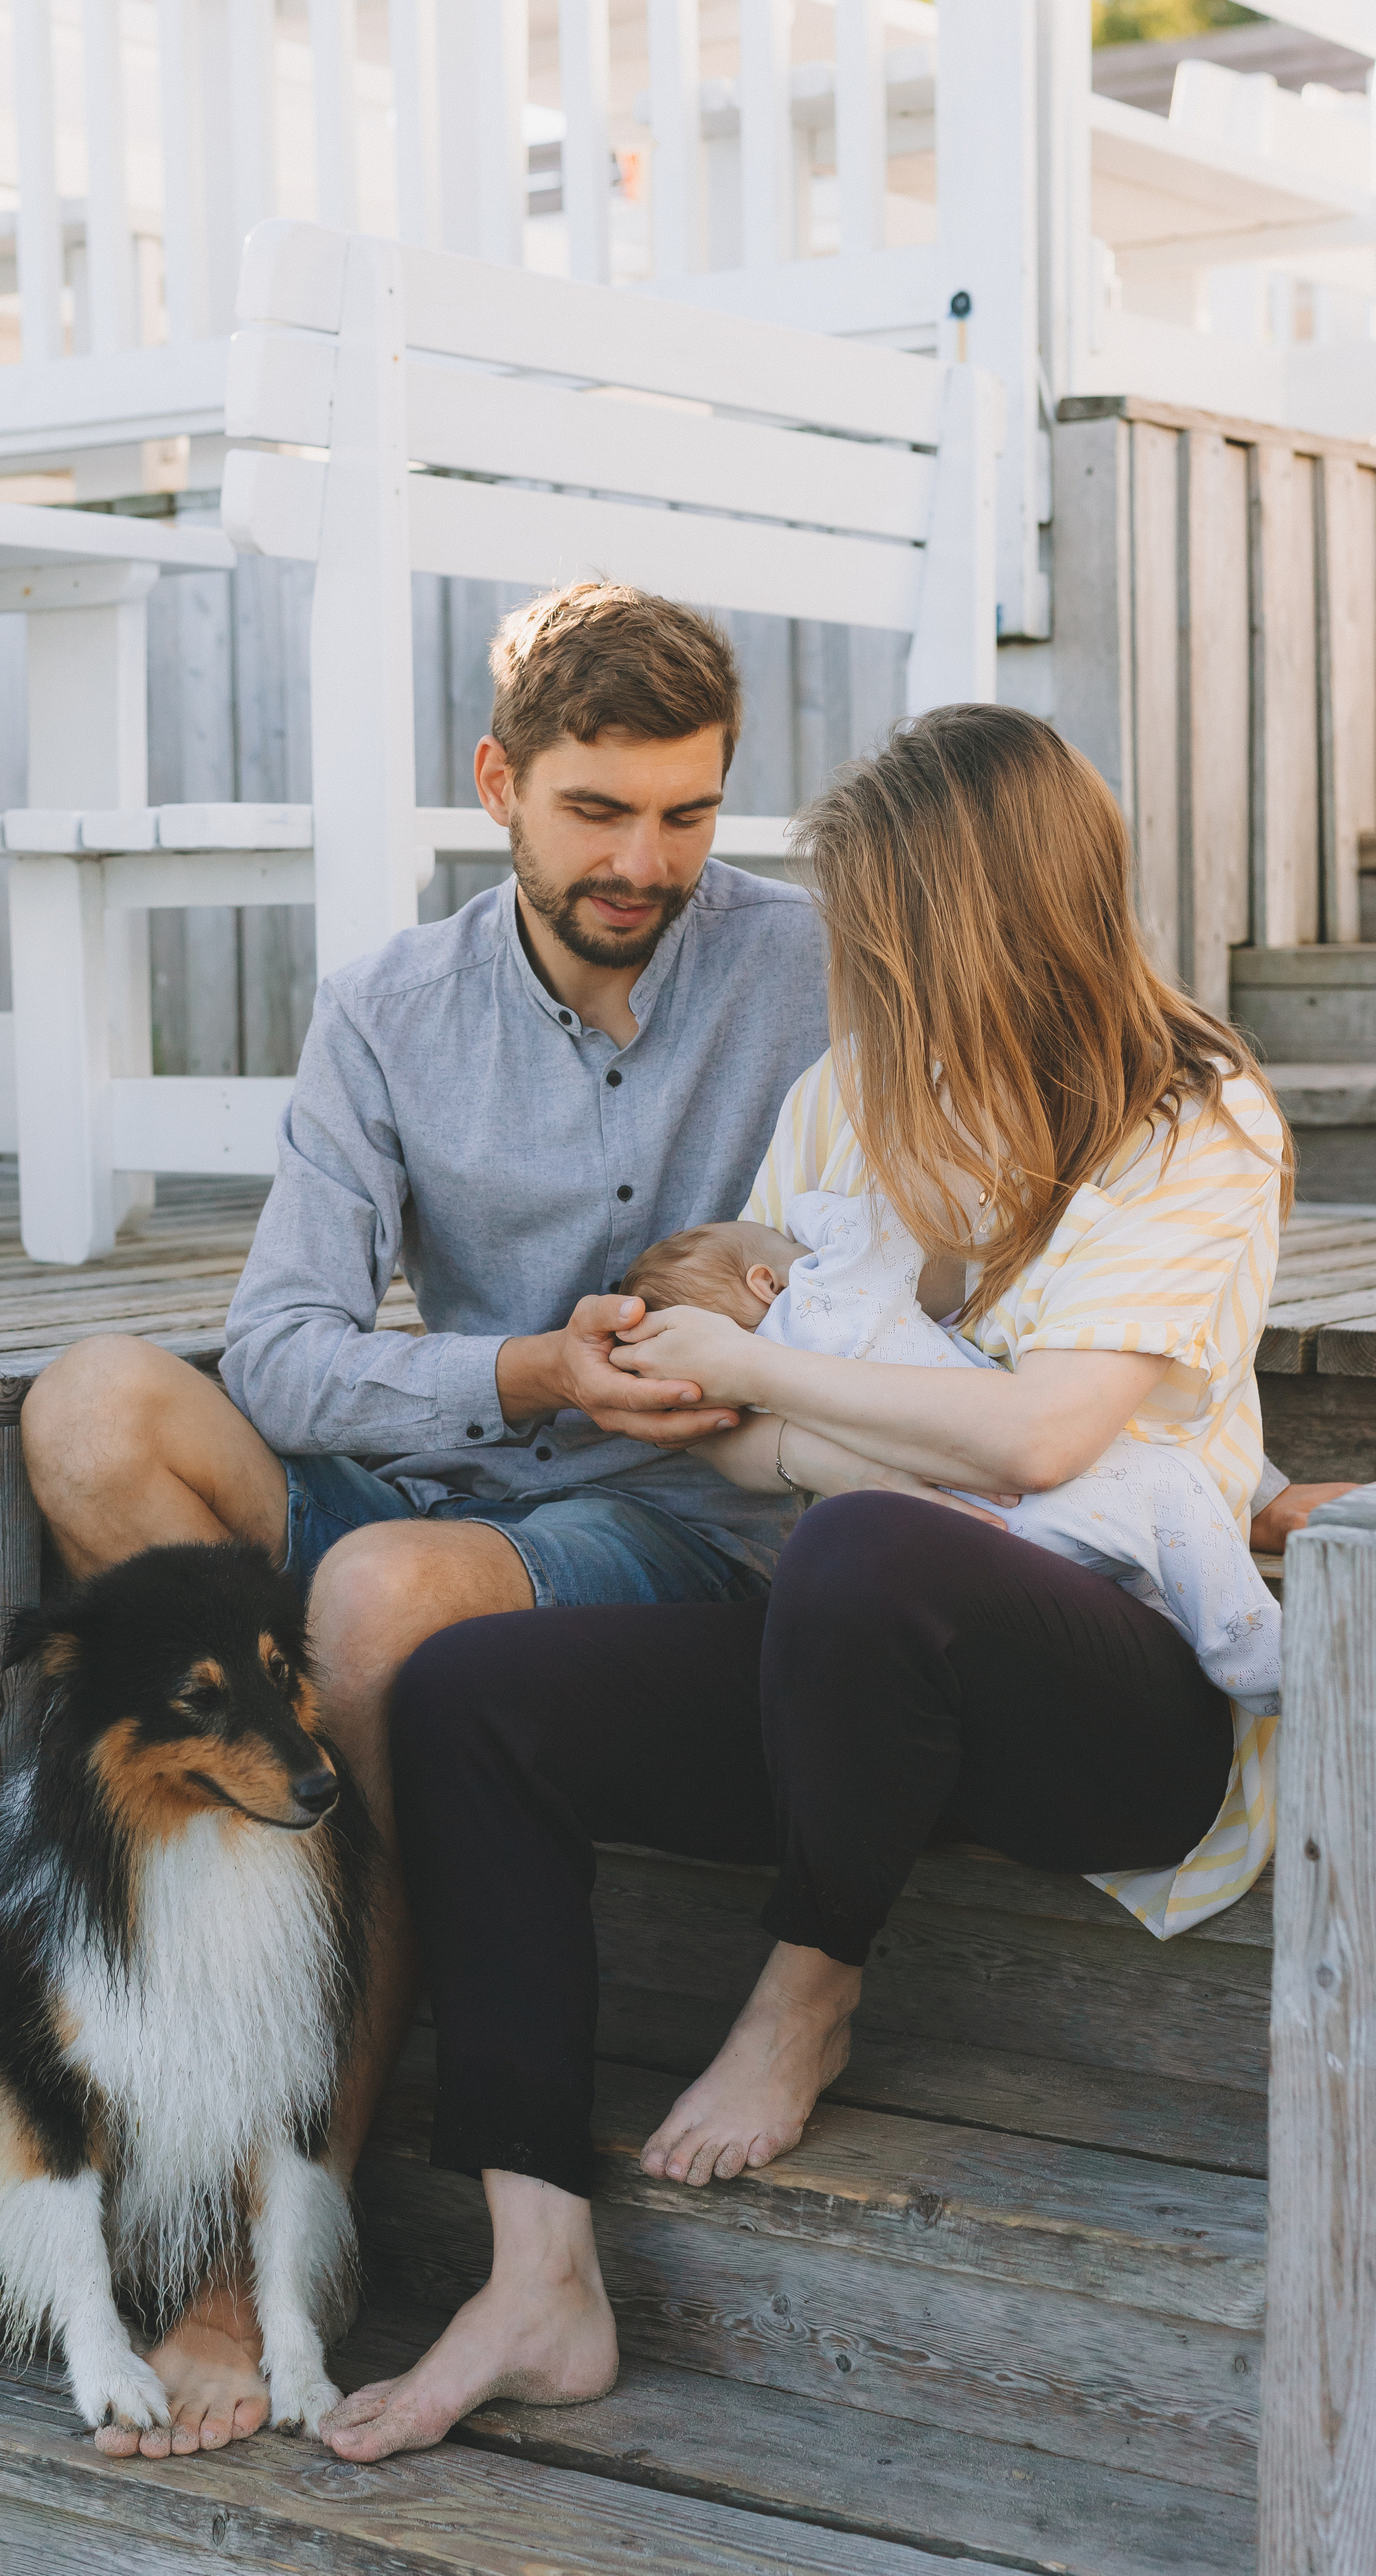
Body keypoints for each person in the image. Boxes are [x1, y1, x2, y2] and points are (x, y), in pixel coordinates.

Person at [319, 701, 1311, 2465]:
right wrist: (821, 1419)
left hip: (1109, 1702)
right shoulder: (842, 1098)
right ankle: (538, 2265)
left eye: (876, 931)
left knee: (864, 1550)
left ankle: (807, 1978)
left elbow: (1038, 1438)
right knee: (466, 1690)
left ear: (978, 919)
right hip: (849, 1667)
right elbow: (727, 1442)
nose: (843, 968)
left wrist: (795, 1398)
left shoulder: (1193, 1113)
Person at [19, 579, 853, 2454]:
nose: (648, 861)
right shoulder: (391, 1006)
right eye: (597, 811)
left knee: (387, 1606)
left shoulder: (819, 964)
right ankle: (239, 1914)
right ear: (498, 780)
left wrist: (766, 1297)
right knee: (94, 1414)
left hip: (675, 1522)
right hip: (457, 1452)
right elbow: (287, 1352)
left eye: (691, 813)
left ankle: (274, 2251)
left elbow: (964, 1193)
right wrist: (525, 1375)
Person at [622, 1199, 1283, 1702]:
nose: (805, 1248)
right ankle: (1260, 1664)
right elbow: (880, 1224)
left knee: (1139, 1569)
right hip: (1018, 1486)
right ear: (767, 1281)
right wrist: (807, 1212)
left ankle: (1187, 1637)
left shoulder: (765, 1398)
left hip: (964, 1529)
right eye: (790, 1248)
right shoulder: (827, 1300)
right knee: (1167, 1487)